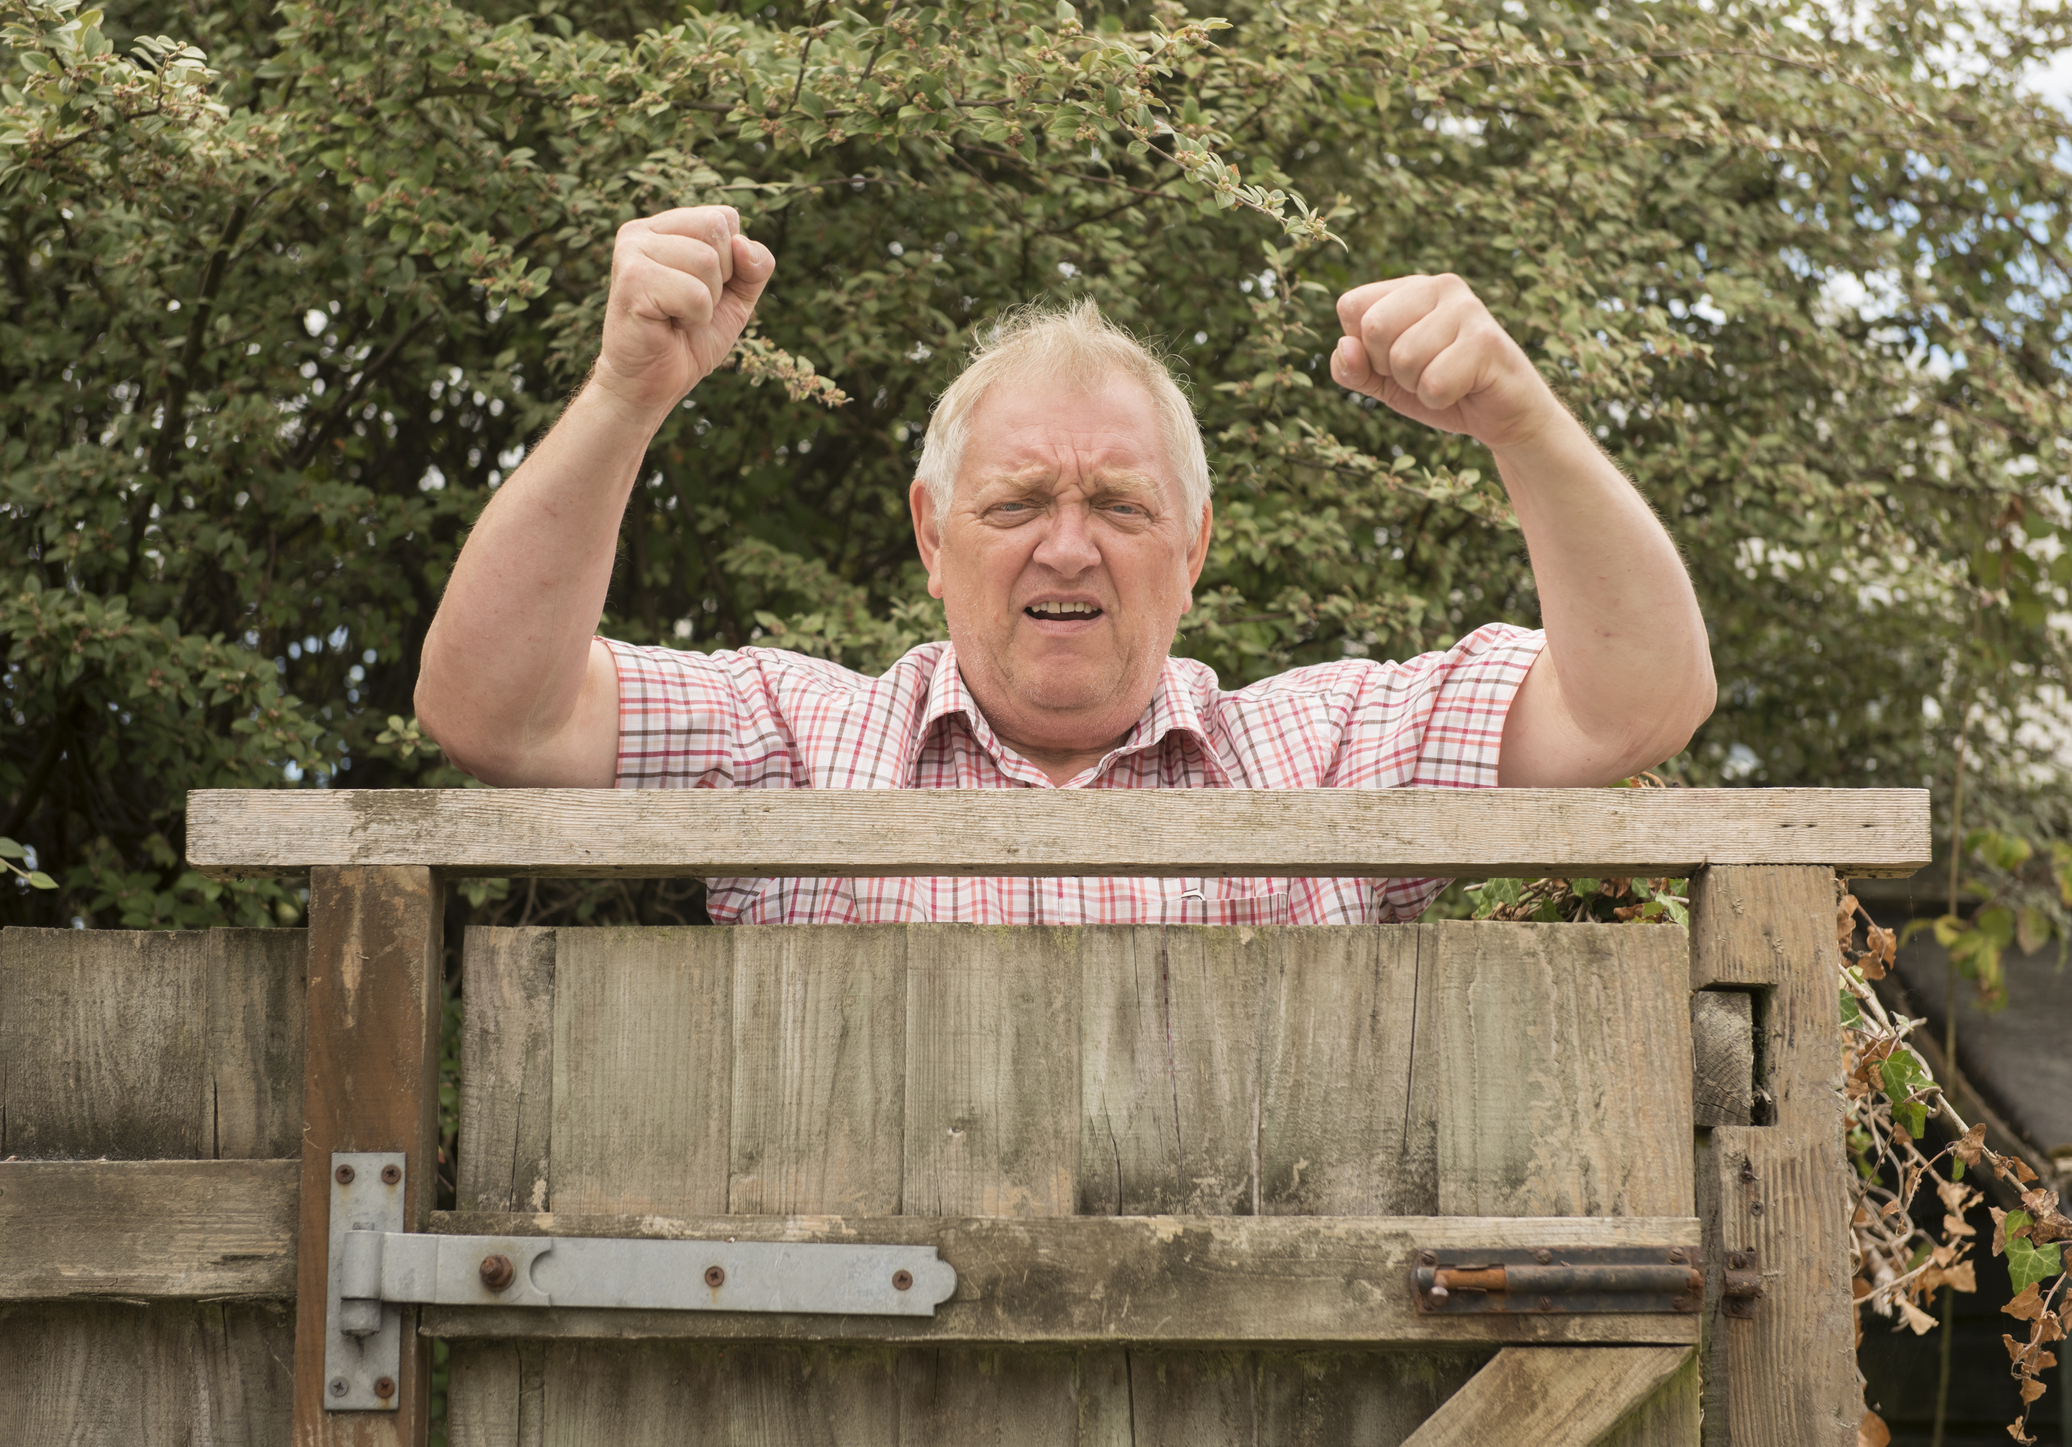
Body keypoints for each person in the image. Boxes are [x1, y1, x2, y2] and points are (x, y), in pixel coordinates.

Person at [415, 205, 1715, 925]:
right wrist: (625, 393)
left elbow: (1637, 702)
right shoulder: (793, 736)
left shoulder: (1322, 746)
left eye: (1121, 504)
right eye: (1020, 500)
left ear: (1194, 549)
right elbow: (493, 713)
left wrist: (1520, 418)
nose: (1071, 543)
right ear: (931, 535)